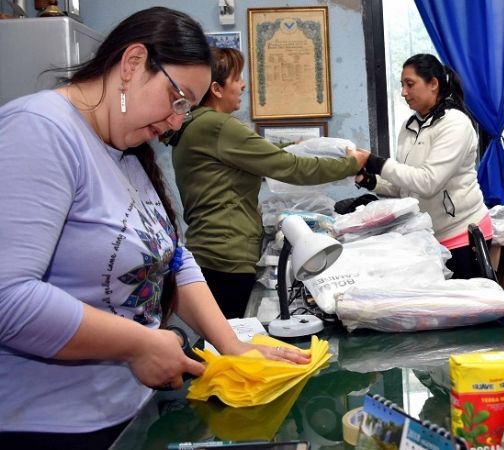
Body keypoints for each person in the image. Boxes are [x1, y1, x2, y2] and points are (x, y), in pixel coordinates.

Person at [0, 8, 309, 450]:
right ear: (132, 64)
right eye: (178, 99)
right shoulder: (39, 130)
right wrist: (139, 345)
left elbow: (172, 258)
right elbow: (7, 297)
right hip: (51, 427)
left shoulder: (124, 150)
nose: (177, 121)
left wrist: (231, 344)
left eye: (189, 107)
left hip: (127, 414)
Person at [169, 47, 368, 319]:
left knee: (223, 340)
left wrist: (298, 146)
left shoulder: (196, 126)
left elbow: (261, 157)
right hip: (226, 254)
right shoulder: (217, 126)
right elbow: (288, 167)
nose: (243, 85)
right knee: (230, 344)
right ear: (216, 88)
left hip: (212, 251)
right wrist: (350, 165)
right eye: (237, 78)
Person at [355, 53, 491, 279]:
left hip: (461, 236)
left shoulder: (455, 124)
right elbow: (405, 187)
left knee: (461, 310)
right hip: (426, 238)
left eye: (410, 84)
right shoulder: (409, 127)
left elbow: (428, 182)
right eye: (402, 85)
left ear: (433, 84)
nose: (404, 93)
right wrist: (367, 179)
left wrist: (373, 161)